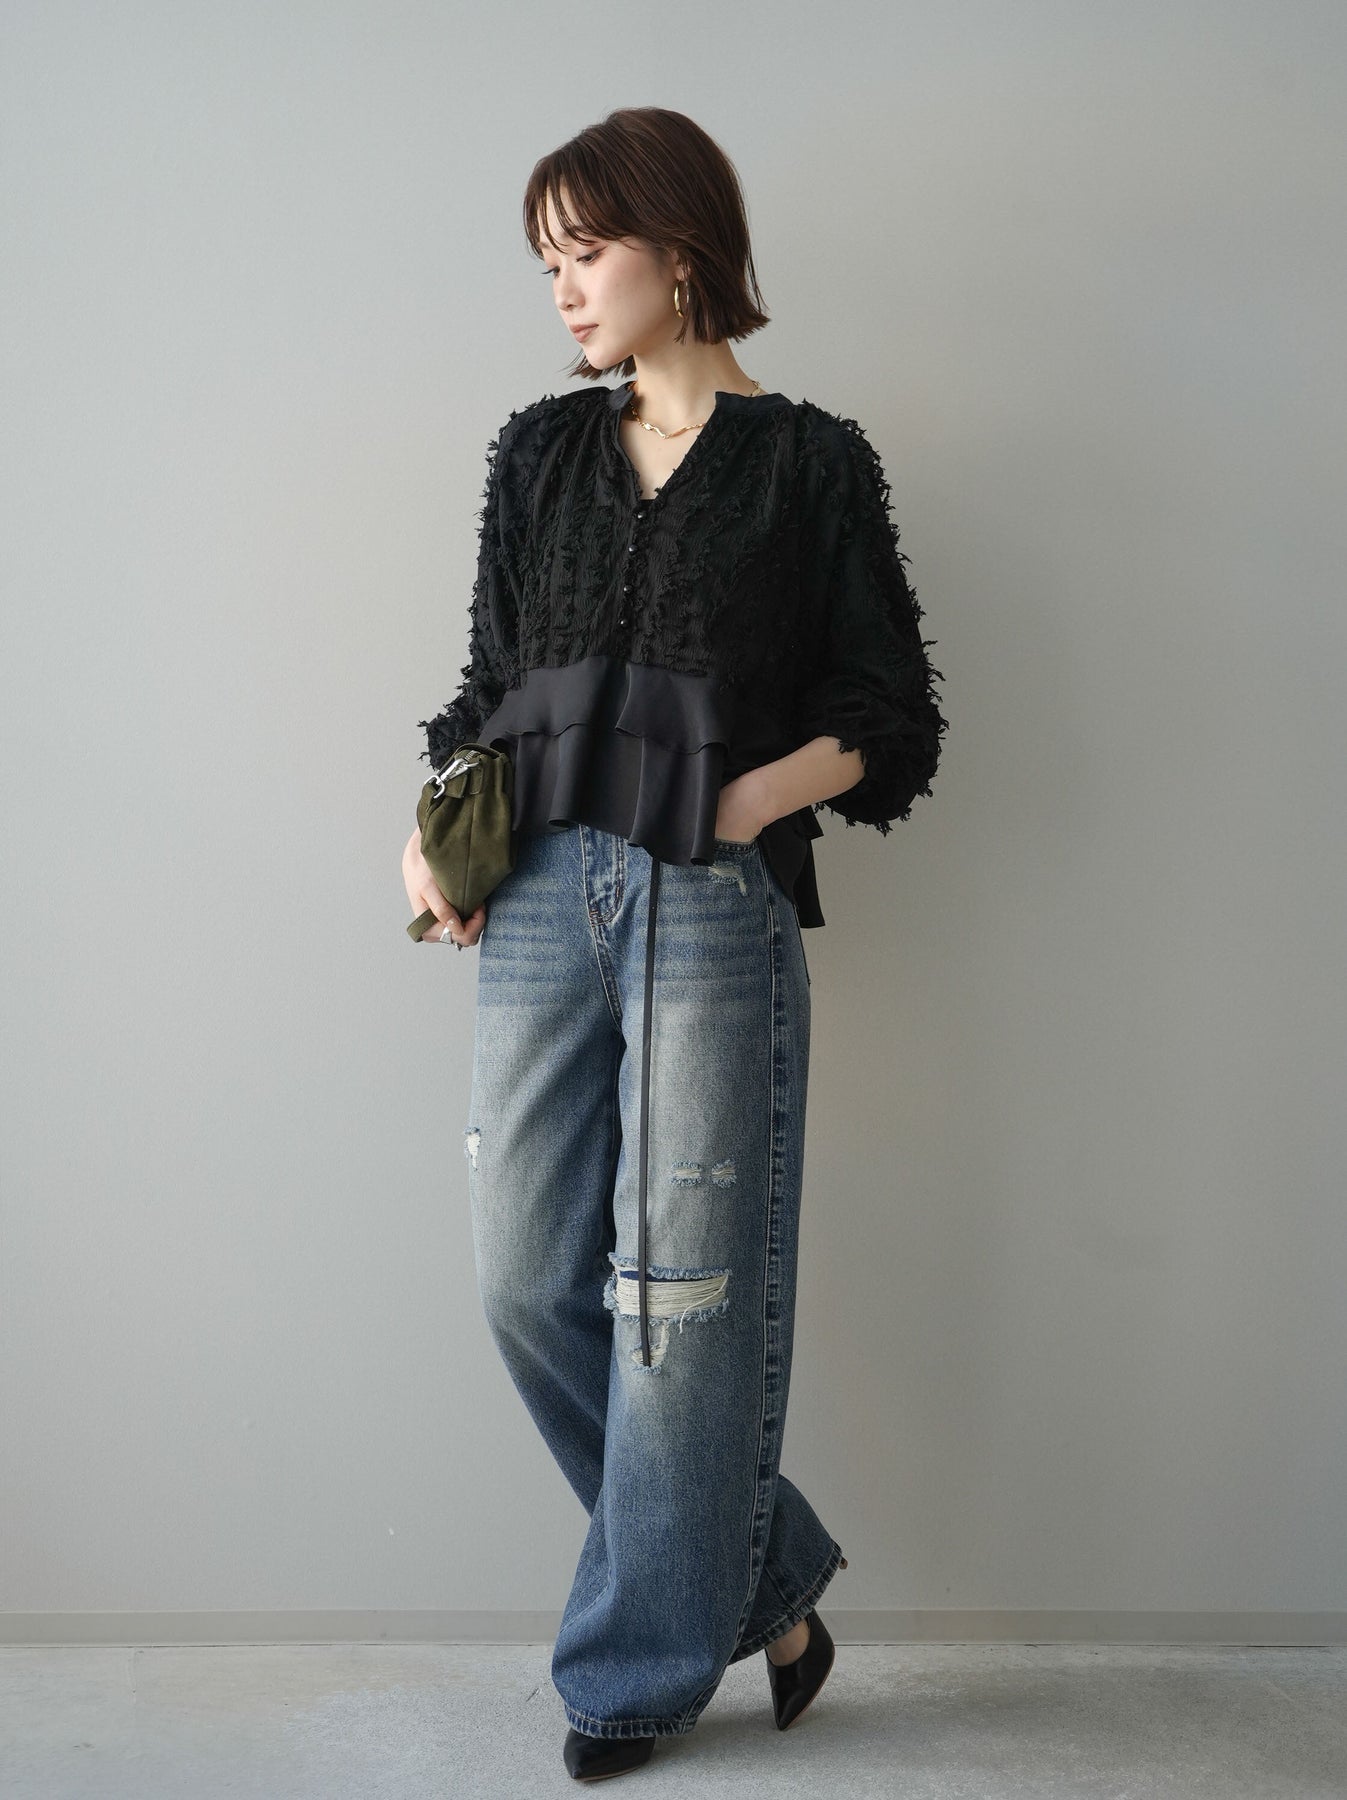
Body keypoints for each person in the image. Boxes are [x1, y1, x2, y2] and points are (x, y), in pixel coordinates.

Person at [401, 106, 946, 1783]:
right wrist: (428, 824)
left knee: (681, 1300)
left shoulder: (810, 465)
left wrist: (744, 798)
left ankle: (633, 1676)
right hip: (539, 890)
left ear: (682, 249)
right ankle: (764, 1581)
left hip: (710, 905)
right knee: (526, 1279)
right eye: (547, 265)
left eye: (588, 253)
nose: (565, 290)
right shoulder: (537, 454)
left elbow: (891, 717)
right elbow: (488, 689)